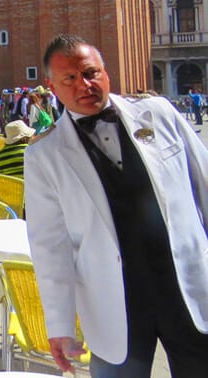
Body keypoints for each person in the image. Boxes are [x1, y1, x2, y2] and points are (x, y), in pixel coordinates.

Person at [25, 34, 208, 377]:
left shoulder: (158, 113)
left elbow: (205, 185)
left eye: (92, 73)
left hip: (189, 286)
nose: (85, 85)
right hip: (113, 300)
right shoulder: (43, 155)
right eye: (70, 78)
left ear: (106, 72)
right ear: (51, 85)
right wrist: (60, 325)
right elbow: (50, 247)